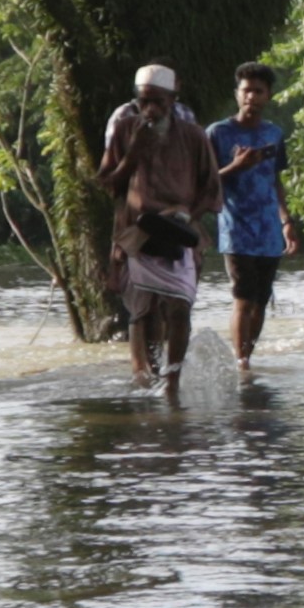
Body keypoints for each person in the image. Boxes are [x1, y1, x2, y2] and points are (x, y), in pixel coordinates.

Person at [96, 63, 220, 396]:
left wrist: (185, 214)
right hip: (137, 233)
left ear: (172, 100)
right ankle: (142, 376)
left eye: (158, 102)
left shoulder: (193, 135)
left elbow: (211, 190)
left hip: (180, 234)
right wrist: (134, 152)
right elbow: (107, 184)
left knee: (179, 307)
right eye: (143, 101)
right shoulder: (124, 130)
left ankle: (173, 381)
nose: (150, 109)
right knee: (142, 311)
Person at [209, 63, 292, 372]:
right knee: (243, 299)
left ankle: (248, 356)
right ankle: (240, 362)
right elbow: (204, 182)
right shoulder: (218, 133)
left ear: (268, 96)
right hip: (235, 229)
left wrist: (287, 223)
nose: (252, 97)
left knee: (260, 301)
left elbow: (276, 181)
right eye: (247, 91)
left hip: (269, 230)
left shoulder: (273, 133)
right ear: (237, 94)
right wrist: (236, 167)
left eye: (258, 91)